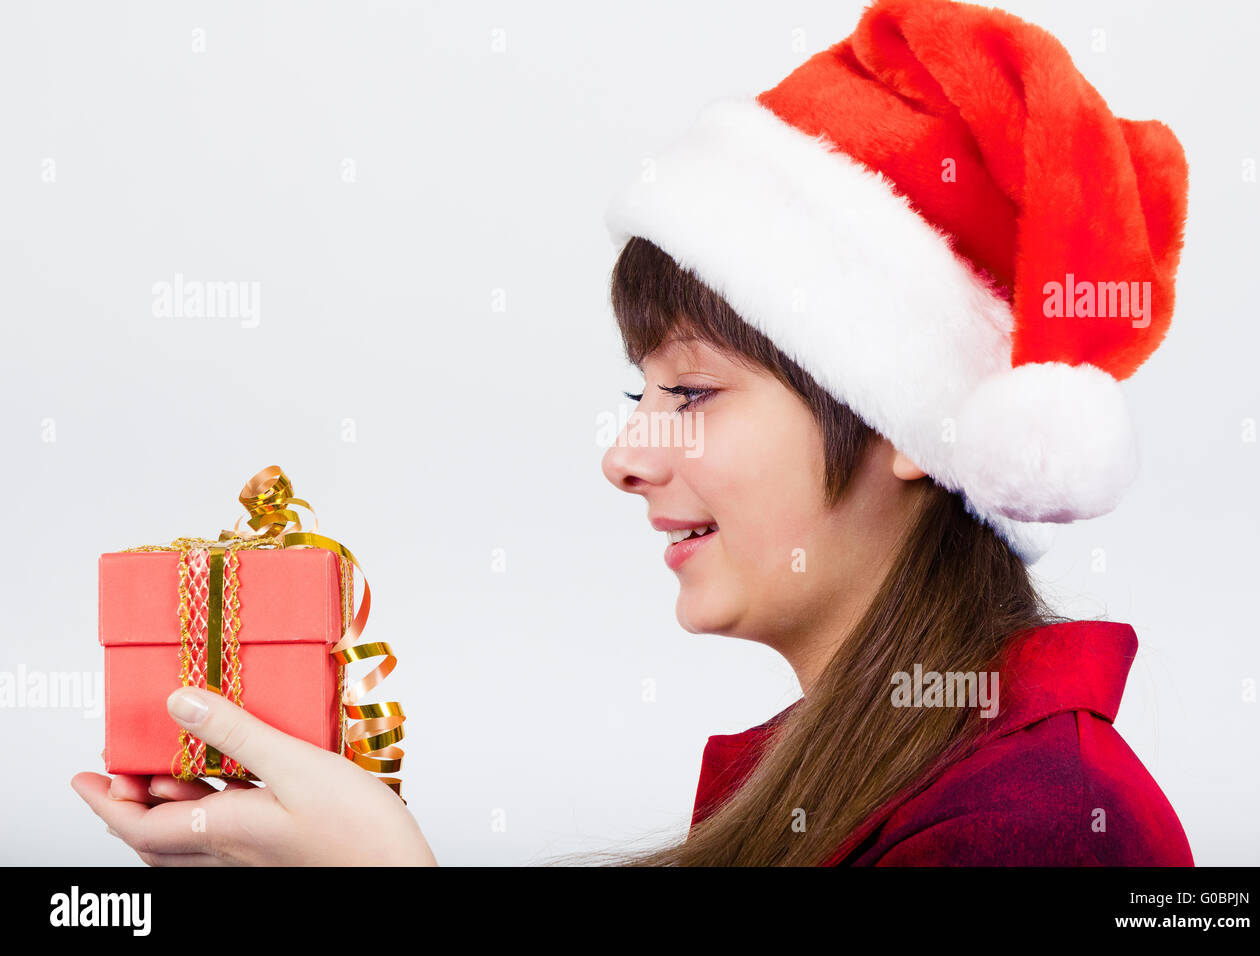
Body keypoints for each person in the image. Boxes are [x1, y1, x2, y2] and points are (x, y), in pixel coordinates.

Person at [71, 0, 1194, 866]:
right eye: (639, 396)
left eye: (692, 396)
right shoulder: (868, 775)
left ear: (910, 425)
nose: (624, 455)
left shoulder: (1042, 822)